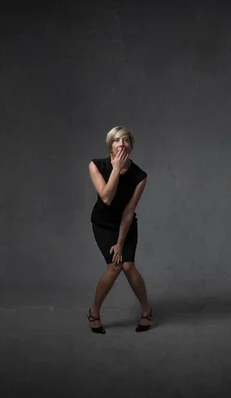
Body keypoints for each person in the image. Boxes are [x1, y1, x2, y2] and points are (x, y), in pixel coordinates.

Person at [87, 126, 153, 334]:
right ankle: (94, 312)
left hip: (125, 224)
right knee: (114, 267)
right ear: (110, 146)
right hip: (103, 224)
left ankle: (147, 310)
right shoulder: (96, 165)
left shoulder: (139, 176)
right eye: (117, 140)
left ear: (131, 146)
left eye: (126, 140)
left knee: (128, 266)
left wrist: (121, 243)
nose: (122, 143)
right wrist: (116, 169)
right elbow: (106, 198)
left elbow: (128, 212)